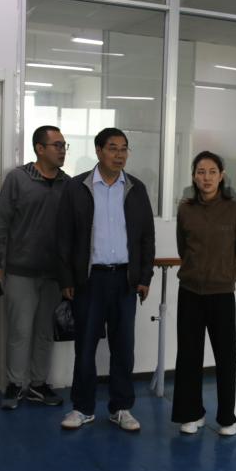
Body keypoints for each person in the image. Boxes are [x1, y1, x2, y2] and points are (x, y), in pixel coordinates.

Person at [57, 127, 155, 432]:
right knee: (85, 347)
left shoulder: (136, 188)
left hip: (125, 280)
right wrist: (66, 278)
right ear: (99, 151)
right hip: (89, 280)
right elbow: (63, 237)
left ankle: (121, 407)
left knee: (123, 347)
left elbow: (146, 237)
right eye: (113, 148)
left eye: (124, 149)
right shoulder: (77, 187)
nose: (119, 155)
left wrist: (145, 276)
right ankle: (82, 408)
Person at [0, 126, 69, 409]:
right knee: (20, 331)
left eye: (64, 145)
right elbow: (0, 221)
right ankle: (15, 385)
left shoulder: (67, 184)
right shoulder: (18, 179)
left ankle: (38, 384)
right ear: (40, 148)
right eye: (57, 145)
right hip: (20, 270)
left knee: (45, 331)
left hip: (54, 274)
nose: (62, 150)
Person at [171, 151, 236, 436]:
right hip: (190, 292)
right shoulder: (185, 210)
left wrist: (222, 272)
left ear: (221, 176)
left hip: (223, 293)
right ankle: (191, 414)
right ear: (194, 176)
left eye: (212, 172)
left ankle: (228, 417)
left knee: (226, 357)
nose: (206, 177)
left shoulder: (235, 210)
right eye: (201, 172)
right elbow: (183, 248)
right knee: (188, 355)